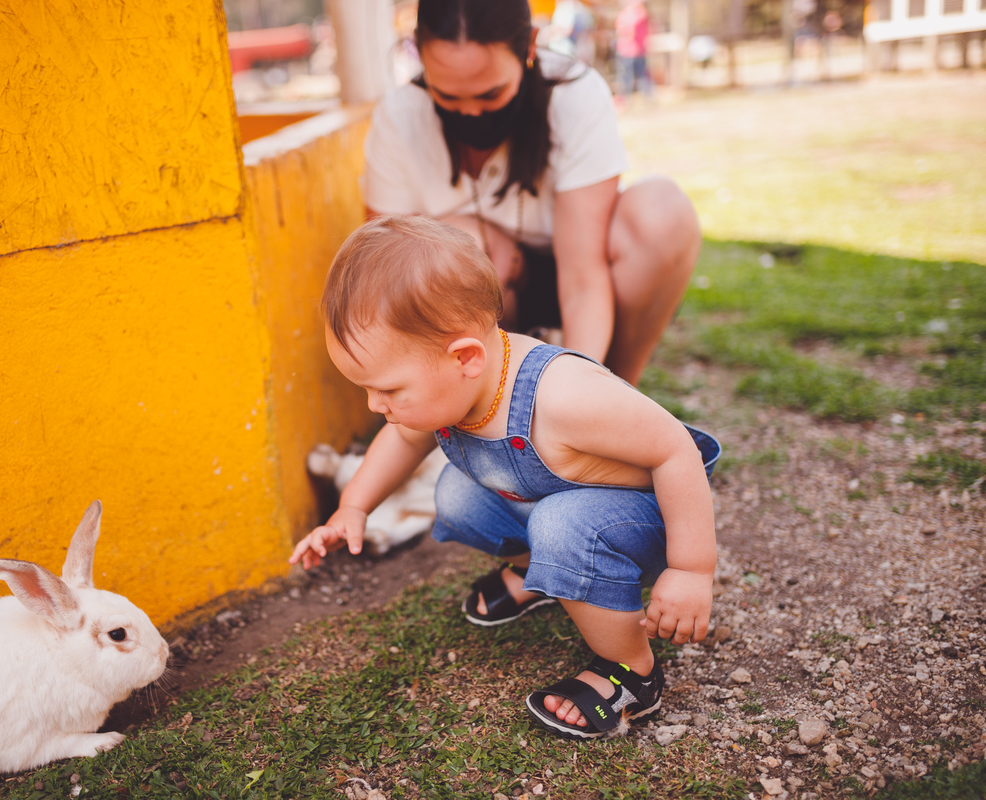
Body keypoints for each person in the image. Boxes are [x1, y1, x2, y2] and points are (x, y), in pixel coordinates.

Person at [289, 216, 721, 740]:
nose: (374, 405)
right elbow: (402, 440)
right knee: (456, 494)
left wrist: (691, 569)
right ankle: (540, 576)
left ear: (465, 358)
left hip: (646, 518)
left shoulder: (566, 397)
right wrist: (353, 508)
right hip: (557, 500)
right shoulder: (458, 383)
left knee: (562, 525)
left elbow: (675, 451)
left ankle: (631, 672)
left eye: (388, 390)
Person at [363, 0, 698, 389]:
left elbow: (583, 276)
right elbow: (386, 279)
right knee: (445, 244)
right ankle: (483, 399)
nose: (470, 113)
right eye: (447, 97)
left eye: (490, 94)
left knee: (662, 209)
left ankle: (616, 389)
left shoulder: (575, 94)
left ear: (530, 46)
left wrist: (581, 394)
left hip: (579, 277)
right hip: (489, 300)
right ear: (418, 52)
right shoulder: (398, 116)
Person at [614, 0, 652, 101]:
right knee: (635, 75)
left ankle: (627, 98)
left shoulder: (634, 13)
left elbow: (623, 30)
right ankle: (645, 96)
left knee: (631, 76)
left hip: (631, 50)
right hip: (631, 49)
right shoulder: (638, 13)